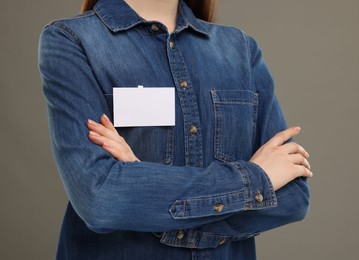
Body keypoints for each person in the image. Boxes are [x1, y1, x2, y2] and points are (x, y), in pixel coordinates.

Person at [38, 0, 312, 259]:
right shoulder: (71, 40)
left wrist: (140, 183)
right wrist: (255, 180)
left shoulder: (240, 49)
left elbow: (293, 198)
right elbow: (100, 199)